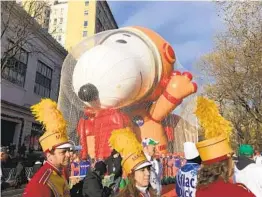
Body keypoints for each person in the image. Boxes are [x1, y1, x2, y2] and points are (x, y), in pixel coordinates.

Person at [23, 99, 73, 197]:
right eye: (63, 152)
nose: (69, 154)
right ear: (49, 155)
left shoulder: (59, 172)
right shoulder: (42, 183)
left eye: (68, 150)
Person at [110, 127, 157, 197]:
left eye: (148, 168)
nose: (148, 173)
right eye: (142, 170)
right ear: (132, 174)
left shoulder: (149, 192)